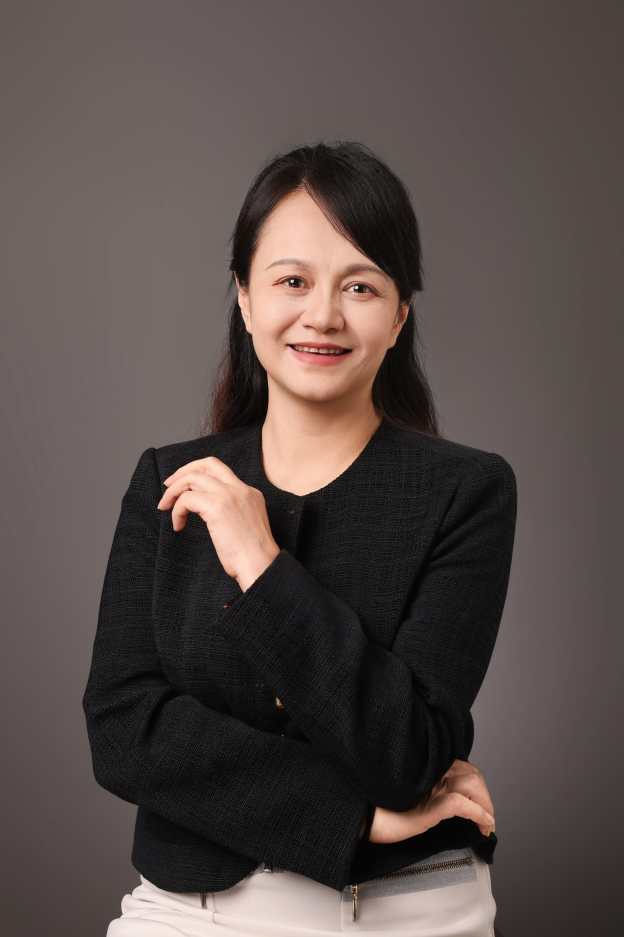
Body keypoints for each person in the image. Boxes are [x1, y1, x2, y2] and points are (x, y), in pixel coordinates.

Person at [84, 142, 516, 937]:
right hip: (187, 910)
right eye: (292, 281)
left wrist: (262, 563)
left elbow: (405, 752)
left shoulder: (467, 492)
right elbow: (123, 731)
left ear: (400, 315)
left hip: (403, 912)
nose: (323, 315)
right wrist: (355, 814)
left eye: (360, 285)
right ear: (245, 299)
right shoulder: (170, 480)